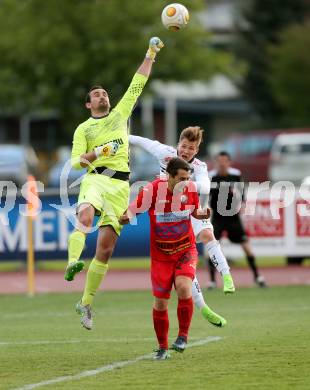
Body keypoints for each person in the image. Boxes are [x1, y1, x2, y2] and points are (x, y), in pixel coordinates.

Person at [64, 37, 164, 330]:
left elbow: (138, 83)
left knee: (105, 250)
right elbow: (74, 163)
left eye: (104, 93)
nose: (102, 96)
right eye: (96, 94)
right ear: (88, 104)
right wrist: (98, 152)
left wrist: (151, 53)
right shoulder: (84, 128)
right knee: (84, 216)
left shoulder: (120, 115)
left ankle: (85, 303)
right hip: (96, 179)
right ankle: (72, 263)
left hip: (120, 187)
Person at [129, 127, 235, 321]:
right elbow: (141, 141)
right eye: (184, 146)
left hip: (190, 207)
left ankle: (226, 276)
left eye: (191, 148)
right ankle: (203, 308)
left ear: (197, 149)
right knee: (183, 262)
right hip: (168, 212)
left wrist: (194, 191)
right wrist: (122, 137)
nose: (186, 151)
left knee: (208, 235)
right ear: (178, 144)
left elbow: (204, 186)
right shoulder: (164, 153)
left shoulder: (200, 166)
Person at [120, 157, 213, 360]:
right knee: (161, 303)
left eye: (188, 178)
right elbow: (133, 210)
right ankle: (162, 347)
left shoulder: (189, 189)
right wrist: (124, 217)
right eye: (181, 178)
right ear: (169, 177)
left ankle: (183, 337)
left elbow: (195, 213)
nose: (185, 182)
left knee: (184, 287)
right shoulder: (152, 190)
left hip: (185, 250)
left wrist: (204, 213)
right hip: (161, 256)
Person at [208, 151, 266, 288]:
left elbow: (242, 192)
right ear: (216, 163)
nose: (222, 163)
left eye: (225, 161)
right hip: (218, 217)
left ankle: (258, 276)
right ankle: (212, 281)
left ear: (229, 162)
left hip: (233, 216)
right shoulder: (211, 177)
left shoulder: (235, 174)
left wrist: (242, 203)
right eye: (219, 161)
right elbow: (205, 195)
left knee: (246, 246)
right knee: (211, 247)